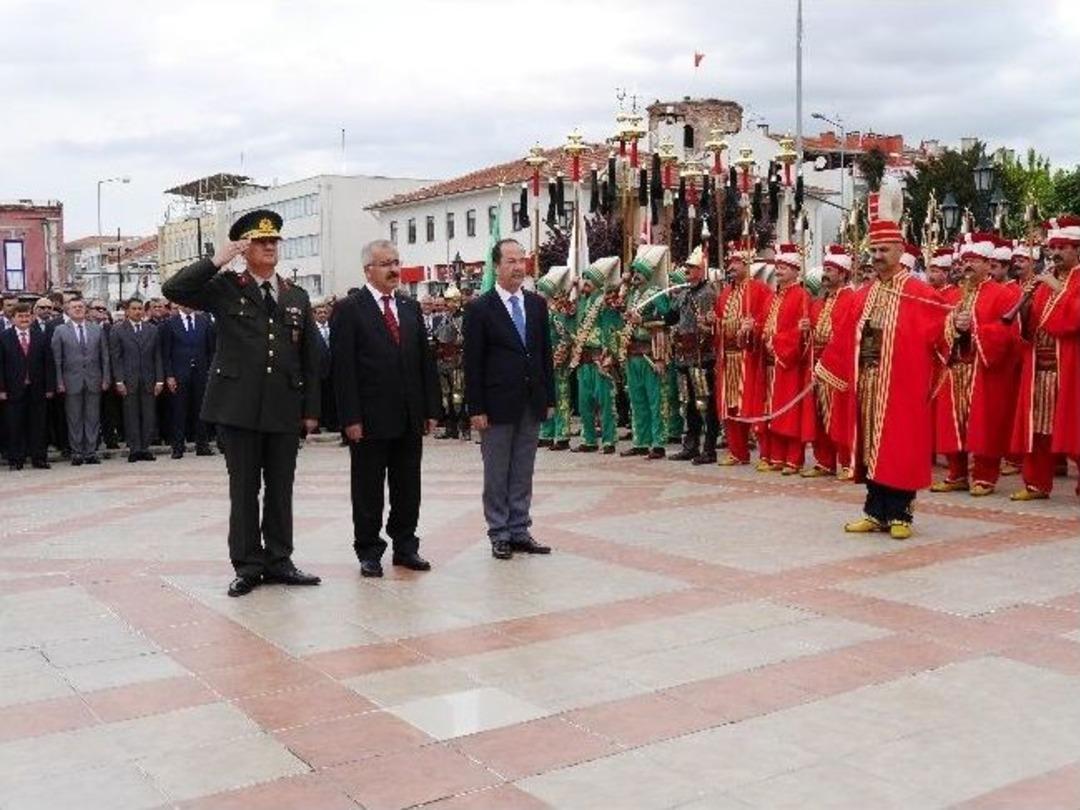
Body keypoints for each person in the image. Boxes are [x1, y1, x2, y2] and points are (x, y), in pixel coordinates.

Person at [162, 210, 322, 596]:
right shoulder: (225, 287)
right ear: (244, 247)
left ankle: (280, 560)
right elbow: (174, 290)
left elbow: (311, 359)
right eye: (260, 241)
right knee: (245, 490)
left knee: (281, 489)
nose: (269, 246)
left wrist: (311, 410)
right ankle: (248, 565)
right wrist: (217, 259)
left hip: (283, 407)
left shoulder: (296, 295)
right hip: (237, 407)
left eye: (274, 241)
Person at [817, 186, 947, 539]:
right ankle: (875, 511)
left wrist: (957, 327)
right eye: (873, 250)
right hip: (868, 383)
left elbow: (941, 332)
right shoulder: (865, 294)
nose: (876, 255)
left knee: (899, 447)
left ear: (900, 251)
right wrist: (830, 367)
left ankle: (901, 513)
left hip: (902, 385)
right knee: (870, 447)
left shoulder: (920, 293)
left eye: (883, 250)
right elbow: (845, 335)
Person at [332, 239, 440, 577]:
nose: (394, 269)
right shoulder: (349, 309)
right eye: (386, 264)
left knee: (408, 487)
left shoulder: (409, 308)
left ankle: (406, 547)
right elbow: (343, 369)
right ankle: (368, 550)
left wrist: (430, 409)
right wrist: (350, 418)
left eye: (396, 262)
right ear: (368, 270)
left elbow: (425, 362)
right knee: (368, 489)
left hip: (409, 416)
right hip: (368, 420)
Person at [464, 238, 555, 560]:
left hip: (530, 401)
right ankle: (499, 531)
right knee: (497, 471)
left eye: (522, 260)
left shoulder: (536, 304)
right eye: (511, 261)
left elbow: (544, 354)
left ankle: (519, 529)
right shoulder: (479, 308)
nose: (518, 267)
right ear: (496, 266)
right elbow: (472, 363)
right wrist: (476, 408)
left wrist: (549, 397)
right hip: (495, 405)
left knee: (523, 469)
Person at [931, 233, 1020, 497]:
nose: (967, 266)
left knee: (984, 424)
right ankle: (956, 473)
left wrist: (975, 328)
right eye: (965, 261)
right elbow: (939, 329)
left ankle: (984, 476)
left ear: (987, 263)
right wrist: (950, 325)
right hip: (956, 367)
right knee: (952, 422)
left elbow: (1009, 333)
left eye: (974, 261)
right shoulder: (954, 295)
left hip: (982, 368)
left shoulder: (1001, 294)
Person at [1010, 217, 1080, 499]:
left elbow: (1074, 318)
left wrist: (1057, 288)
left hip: (1071, 366)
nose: (1056, 253)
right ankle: (1037, 483)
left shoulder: (1066, 282)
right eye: (1054, 247)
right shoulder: (1044, 282)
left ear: (1078, 250)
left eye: (1063, 247)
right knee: (1037, 426)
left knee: (1075, 427)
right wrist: (1023, 308)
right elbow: (1032, 327)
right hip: (1040, 367)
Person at [758, 244, 815, 475]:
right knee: (771, 411)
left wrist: (778, 342)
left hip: (789, 365)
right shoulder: (772, 298)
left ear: (794, 270)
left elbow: (802, 332)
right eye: (778, 267)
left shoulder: (802, 296)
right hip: (770, 365)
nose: (779, 271)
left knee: (789, 413)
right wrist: (756, 331)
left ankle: (793, 458)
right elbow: (764, 324)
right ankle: (774, 456)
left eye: (783, 267)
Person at [714, 241, 772, 467]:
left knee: (752, 405)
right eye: (730, 263)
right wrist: (713, 323)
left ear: (747, 263)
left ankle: (766, 454)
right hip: (728, 358)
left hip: (749, 357)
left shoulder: (760, 290)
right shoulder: (725, 293)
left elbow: (768, 319)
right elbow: (719, 320)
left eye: (736, 262)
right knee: (730, 405)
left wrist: (754, 326)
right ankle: (737, 452)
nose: (731, 267)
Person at [803, 244, 856, 479]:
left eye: (830, 270)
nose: (825, 274)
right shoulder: (819, 302)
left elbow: (848, 335)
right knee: (819, 415)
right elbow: (814, 333)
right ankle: (824, 461)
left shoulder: (851, 299)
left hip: (838, 367)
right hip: (817, 364)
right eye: (824, 268)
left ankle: (847, 461)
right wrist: (806, 331)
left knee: (840, 415)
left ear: (843, 274)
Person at [666, 246, 720, 465]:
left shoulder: (708, 293)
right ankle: (690, 445)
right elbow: (670, 317)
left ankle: (709, 448)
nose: (686, 271)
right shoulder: (685, 293)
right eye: (686, 268)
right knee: (687, 403)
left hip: (701, 356)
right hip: (683, 355)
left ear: (701, 270)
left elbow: (709, 326)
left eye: (691, 268)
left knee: (704, 403)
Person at [619, 245, 672, 459]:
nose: (636, 276)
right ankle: (641, 441)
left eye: (640, 272)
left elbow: (666, 319)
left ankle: (658, 443)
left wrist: (643, 320)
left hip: (651, 352)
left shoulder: (656, 293)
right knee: (637, 399)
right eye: (634, 272)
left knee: (655, 399)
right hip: (632, 353)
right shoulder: (632, 295)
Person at [571, 257, 622, 454]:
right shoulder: (582, 302)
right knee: (585, 403)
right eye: (584, 279)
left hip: (599, 358)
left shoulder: (604, 301)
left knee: (606, 403)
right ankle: (589, 439)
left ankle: (609, 440)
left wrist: (611, 354)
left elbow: (611, 327)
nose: (584, 282)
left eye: (588, 279)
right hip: (583, 359)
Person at [51, 299, 110, 465]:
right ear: (68, 311)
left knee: (92, 417)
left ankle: (90, 451)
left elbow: (104, 356)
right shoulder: (60, 330)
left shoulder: (96, 330)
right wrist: (59, 381)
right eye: (74, 307)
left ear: (86, 310)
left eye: (81, 307)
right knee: (74, 417)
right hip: (71, 381)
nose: (78, 309)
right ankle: (77, 452)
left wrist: (106, 378)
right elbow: (57, 359)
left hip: (94, 379)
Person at [0, 303, 55, 469]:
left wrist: (50, 387)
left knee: (38, 425)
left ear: (31, 317)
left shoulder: (40, 336)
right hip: (13, 389)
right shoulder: (4, 337)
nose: (24, 319)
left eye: (27, 316)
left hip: (37, 389)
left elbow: (48, 363)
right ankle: (16, 459)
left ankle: (39, 458)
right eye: (20, 316)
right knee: (15, 425)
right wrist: (1, 388)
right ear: (13, 319)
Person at [110, 299, 164, 462]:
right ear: (127, 311)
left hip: (149, 378)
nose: (137, 312)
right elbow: (116, 357)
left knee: (149, 415)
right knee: (131, 414)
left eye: (140, 309)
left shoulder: (152, 330)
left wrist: (159, 380)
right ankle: (134, 448)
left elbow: (157, 356)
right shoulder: (118, 330)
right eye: (134, 309)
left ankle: (145, 447)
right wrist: (119, 380)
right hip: (129, 379)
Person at [162, 305, 216, 458]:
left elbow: (210, 349)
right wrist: (169, 375)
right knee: (179, 411)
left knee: (201, 409)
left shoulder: (204, 321)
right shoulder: (170, 323)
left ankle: (202, 445)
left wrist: (209, 370)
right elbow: (166, 352)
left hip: (201, 372)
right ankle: (178, 447)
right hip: (179, 373)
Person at [535, 267, 574, 451]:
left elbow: (566, 336)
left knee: (560, 398)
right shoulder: (540, 312)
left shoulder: (555, 314)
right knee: (545, 399)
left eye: (541, 290)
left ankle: (562, 434)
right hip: (543, 362)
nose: (538, 293)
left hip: (557, 362)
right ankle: (546, 433)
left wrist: (558, 356)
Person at [432, 286, 469, 440]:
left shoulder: (463, 318)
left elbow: (462, 338)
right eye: (446, 301)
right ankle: (450, 427)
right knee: (446, 398)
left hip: (457, 361)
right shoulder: (444, 318)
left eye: (449, 301)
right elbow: (438, 336)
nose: (447, 304)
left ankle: (464, 428)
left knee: (458, 397)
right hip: (443, 361)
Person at [312, 300, 338, 433]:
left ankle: (331, 423)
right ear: (314, 315)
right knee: (316, 397)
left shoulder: (334, 328)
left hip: (333, 370)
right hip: (317, 370)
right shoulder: (311, 330)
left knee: (331, 398)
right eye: (319, 312)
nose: (322, 315)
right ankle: (316, 424)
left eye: (325, 312)